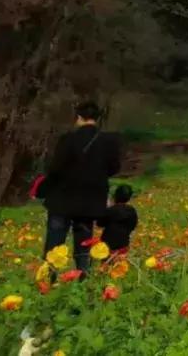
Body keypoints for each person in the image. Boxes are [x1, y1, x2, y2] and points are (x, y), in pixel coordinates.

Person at [40, 101, 122, 276]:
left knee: (54, 243)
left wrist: (44, 189)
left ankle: (49, 280)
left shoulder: (67, 139)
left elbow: (55, 169)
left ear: (78, 117)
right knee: (84, 245)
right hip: (89, 202)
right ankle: (82, 277)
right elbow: (114, 168)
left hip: (62, 199)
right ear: (97, 118)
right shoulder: (108, 142)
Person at [99, 184, 138, 255]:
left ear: (115, 196)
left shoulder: (111, 210)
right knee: (120, 260)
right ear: (129, 197)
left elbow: (100, 223)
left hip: (107, 244)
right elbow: (133, 226)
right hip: (124, 244)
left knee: (107, 260)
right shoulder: (132, 211)